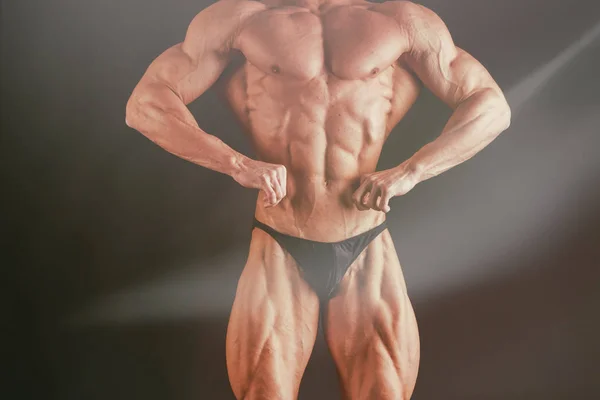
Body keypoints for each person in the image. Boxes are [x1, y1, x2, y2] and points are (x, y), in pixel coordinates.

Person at [125, 0, 511, 398]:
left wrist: (411, 171)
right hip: (280, 240)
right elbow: (145, 104)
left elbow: (491, 106)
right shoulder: (240, 18)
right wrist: (235, 163)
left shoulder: (402, 21)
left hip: (366, 241)